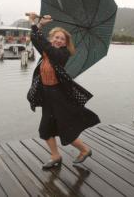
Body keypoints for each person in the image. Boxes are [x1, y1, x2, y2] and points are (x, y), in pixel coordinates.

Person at [27, 12, 100, 169]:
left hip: (59, 97)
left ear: (65, 43)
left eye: (62, 39)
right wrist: (39, 25)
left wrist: (35, 24)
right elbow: (35, 39)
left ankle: (85, 150)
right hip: (47, 96)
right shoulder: (46, 53)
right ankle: (55, 156)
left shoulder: (62, 54)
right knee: (45, 129)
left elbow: (44, 45)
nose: (59, 40)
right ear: (52, 38)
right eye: (56, 37)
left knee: (65, 128)